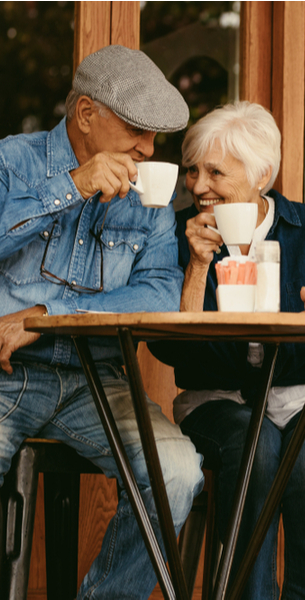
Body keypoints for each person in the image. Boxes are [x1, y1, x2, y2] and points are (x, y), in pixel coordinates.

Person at [149, 101, 305, 599]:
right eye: (192, 170)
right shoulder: (179, 234)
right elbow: (171, 350)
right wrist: (195, 267)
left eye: (214, 171)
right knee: (254, 452)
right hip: (222, 400)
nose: (196, 185)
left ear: (261, 174)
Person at [0, 45, 203, 599]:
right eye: (137, 129)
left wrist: (50, 316)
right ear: (86, 115)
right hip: (8, 375)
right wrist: (73, 186)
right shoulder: (12, 161)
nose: (148, 148)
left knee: (179, 473)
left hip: (99, 382)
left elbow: (162, 290)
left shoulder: (150, 197)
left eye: (155, 135)